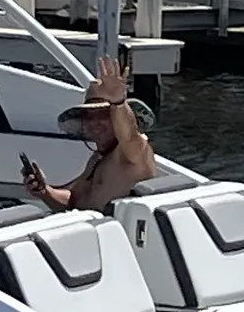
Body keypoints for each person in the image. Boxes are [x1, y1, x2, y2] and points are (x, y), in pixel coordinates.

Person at [21, 56, 157, 213]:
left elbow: (130, 137)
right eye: (89, 116)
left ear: (116, 117)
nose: (95, 122)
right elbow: (73, 200)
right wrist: (44, 191)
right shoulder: (96, 159)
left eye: (103, 115)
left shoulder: (134, 153)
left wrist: (118, 102)